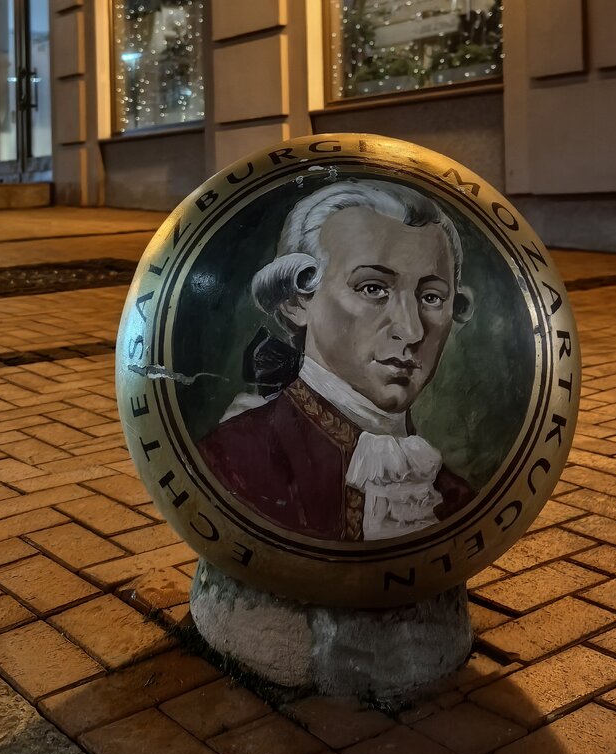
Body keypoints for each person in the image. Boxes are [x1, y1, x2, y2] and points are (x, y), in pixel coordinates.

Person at [197, 179, 475, 541]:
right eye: (372, 288)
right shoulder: (234, 460)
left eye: (432, 297)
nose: (411, 330)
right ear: (297, 302)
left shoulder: (451, 496)